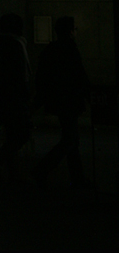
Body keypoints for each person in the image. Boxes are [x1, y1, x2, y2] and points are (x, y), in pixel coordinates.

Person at [32, 16, 91, 188]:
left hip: (59, 100)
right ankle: (42, 170)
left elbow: (43, 77)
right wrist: (88, 95)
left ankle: (77, 177)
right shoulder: (70, 49)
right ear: (70, 31)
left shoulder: (52, 49)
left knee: (71, 139)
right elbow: (80, 76)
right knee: (71, 140)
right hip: (70, 100)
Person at [0, 13, 31, 182]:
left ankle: (12, 172)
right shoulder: (15, 45)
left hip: (4, 95)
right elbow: (20, 73)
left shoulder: (0, 45)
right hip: (14, 96)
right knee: (20, 134)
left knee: (12, 134)